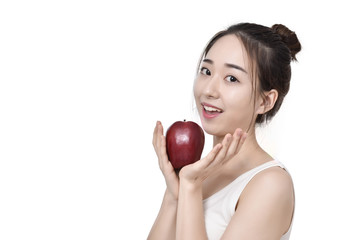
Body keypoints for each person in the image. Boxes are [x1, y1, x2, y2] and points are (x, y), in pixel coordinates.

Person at [148, 22, 301, 240]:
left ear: (265, 101)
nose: (208, 89)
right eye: (206, 71)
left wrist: (190, 189)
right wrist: (174, 195)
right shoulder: (197, 172)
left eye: (232, 78)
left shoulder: (270, 184)